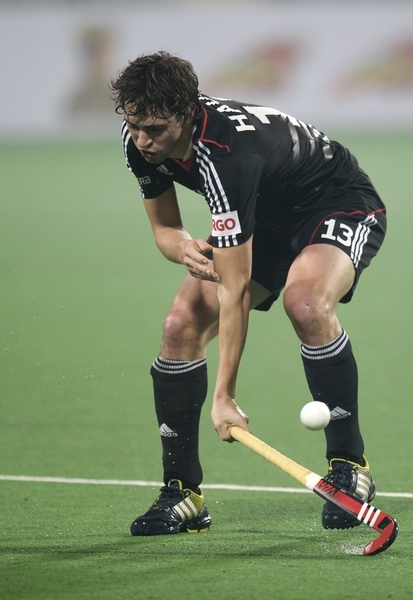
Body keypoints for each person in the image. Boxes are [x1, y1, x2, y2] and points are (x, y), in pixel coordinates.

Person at [110, 51, 386, 536]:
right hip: (262, 215)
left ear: (186, 113)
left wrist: (225, 396)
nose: (142, 140)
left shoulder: (226, 156)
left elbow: (234, 290)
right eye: (133, 126)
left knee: (305, 303)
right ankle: (182, 493)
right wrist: (182, 247)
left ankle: (349, 467)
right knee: (180, 325)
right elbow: (166, 229)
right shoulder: (141, 141)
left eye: (154, 129)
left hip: (335, 203)